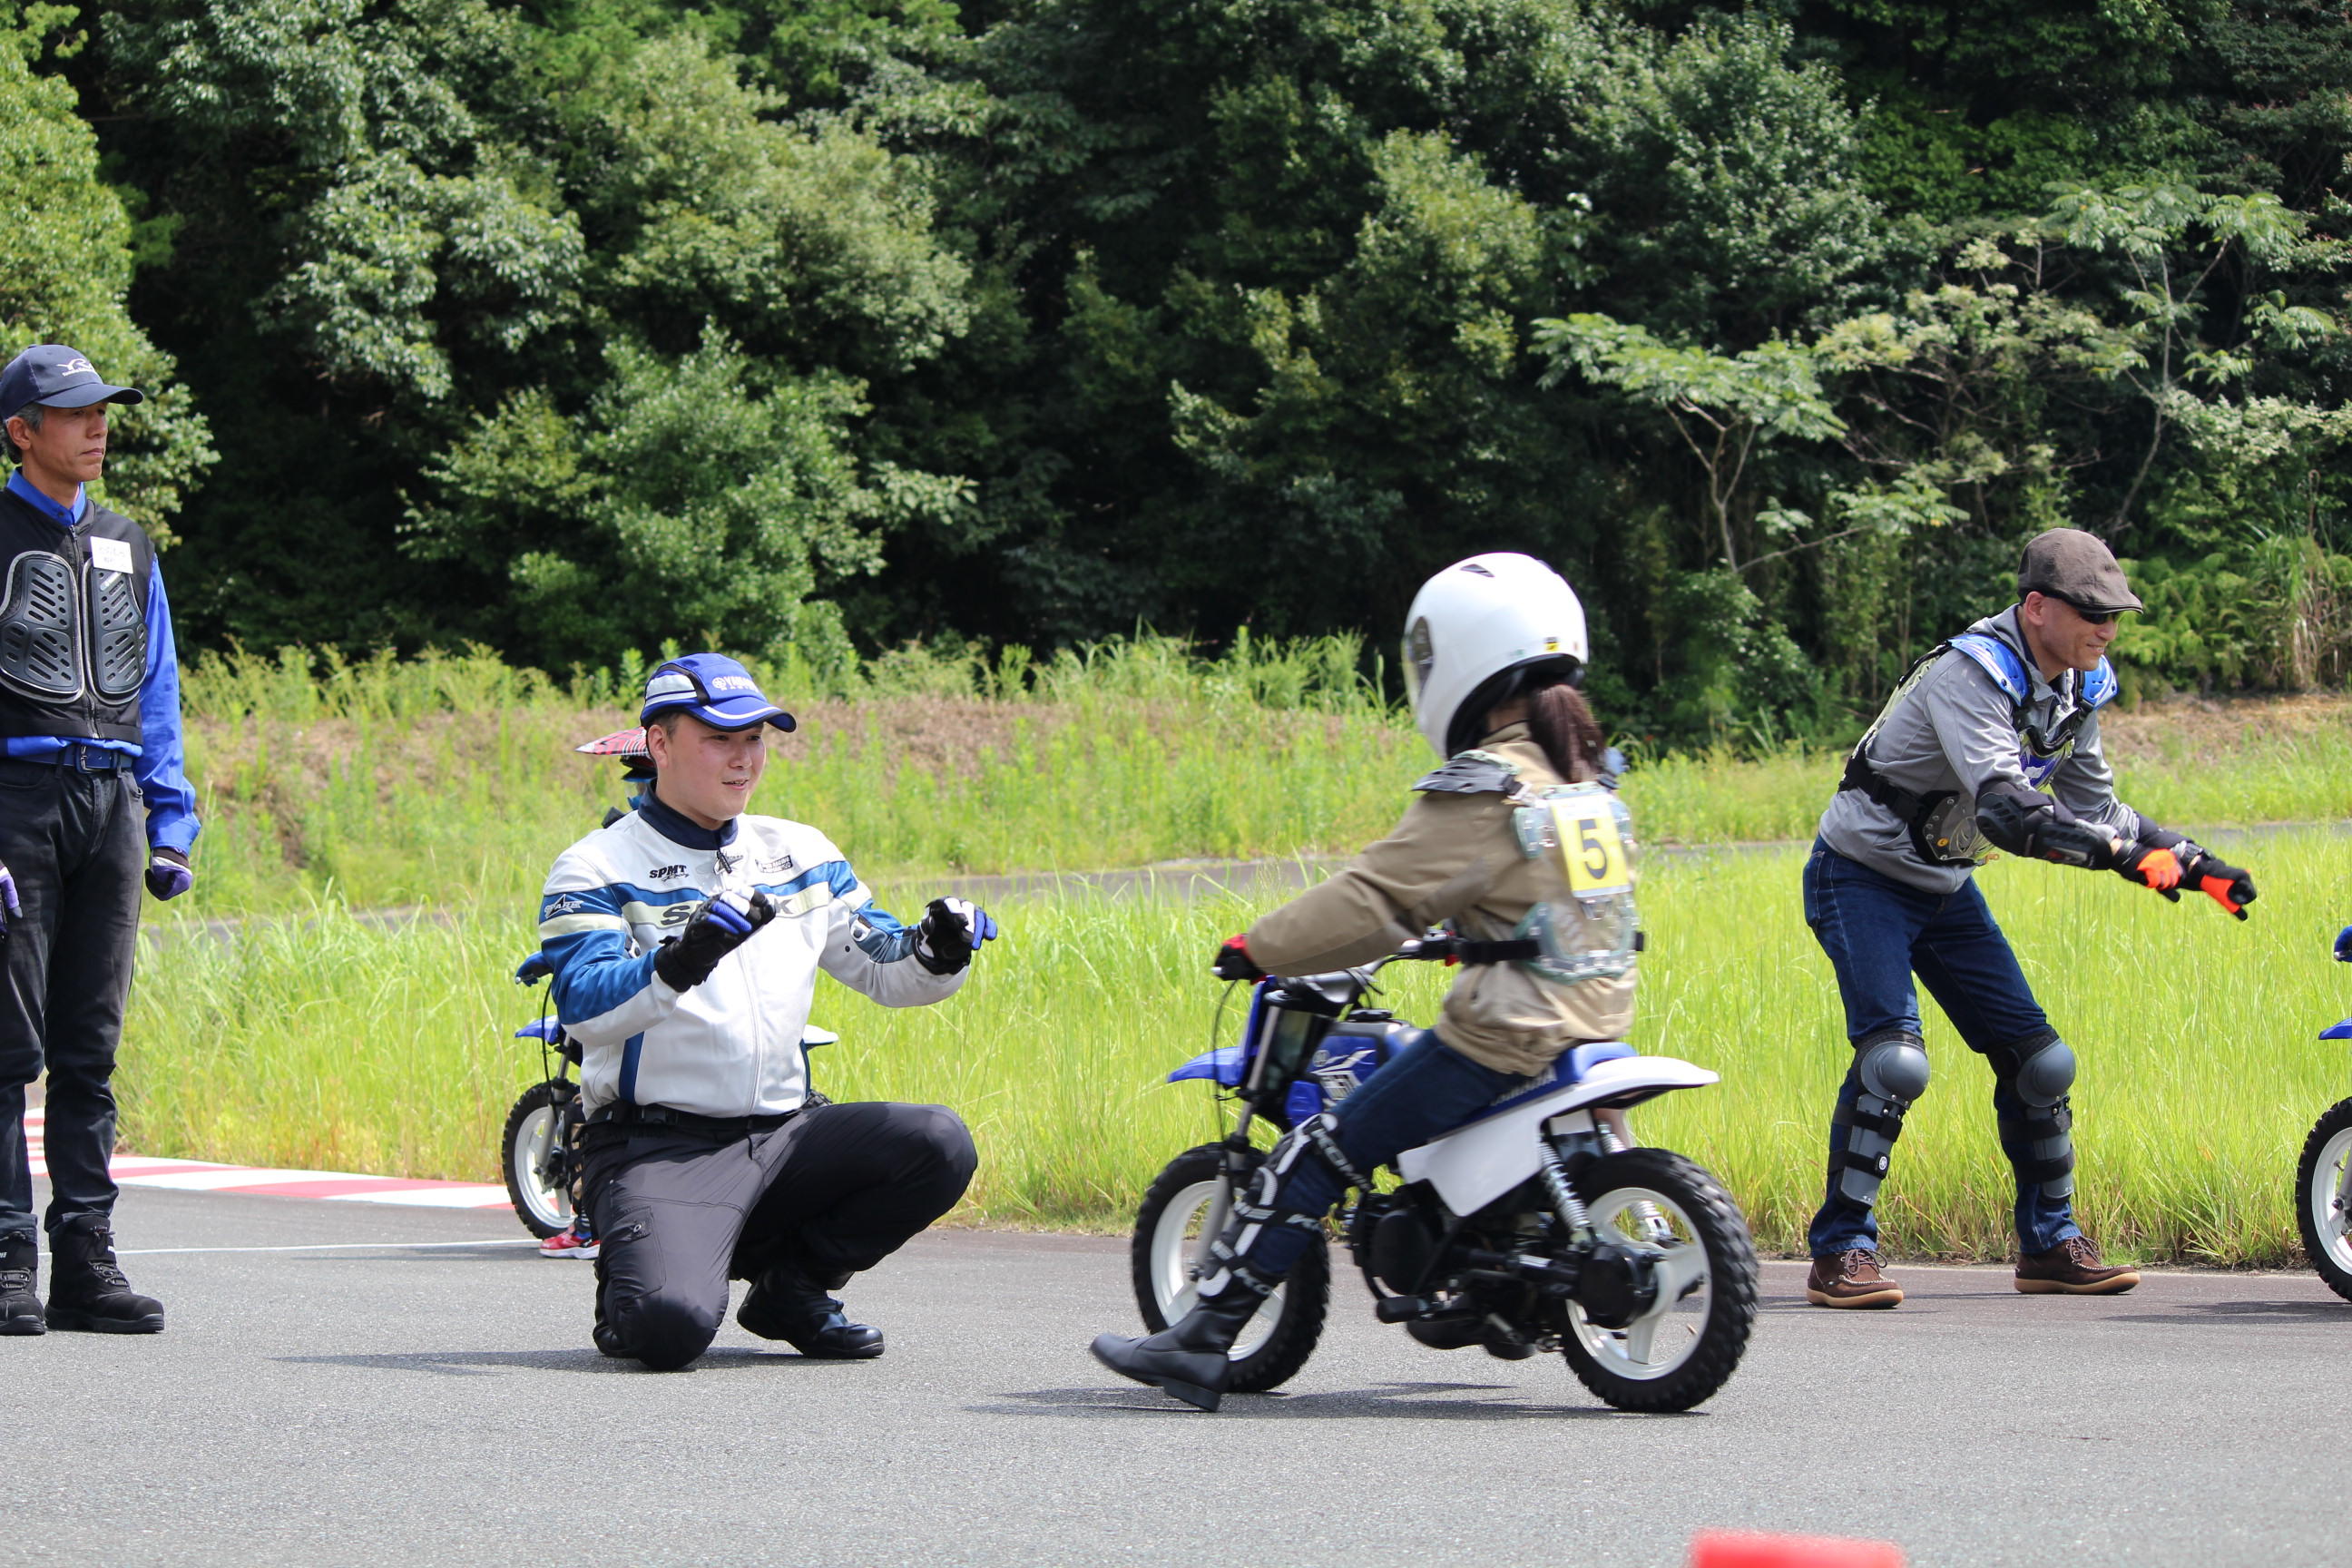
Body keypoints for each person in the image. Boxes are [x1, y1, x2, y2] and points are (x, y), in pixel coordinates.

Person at [1090, 552, 1636, 1411]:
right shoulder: (1587, 784)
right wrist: (1469, 940)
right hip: (1593, 1023)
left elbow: (1375, 900)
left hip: (1502, 1037)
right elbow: (1541, 910)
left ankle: (1200, 1341)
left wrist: (1262, 946)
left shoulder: (1488, 788)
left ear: (1453, 660)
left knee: (1320, 1151)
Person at [1804, 528, 2258, 1308]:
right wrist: (2123, 859)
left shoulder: (2081, 684)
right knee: (1895, 1063)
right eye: (2091, 613)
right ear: (2038, 606)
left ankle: (2049, 1245)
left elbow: (2095, 808)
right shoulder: (1968, 674)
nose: (2107, 629)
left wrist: (2191, 859)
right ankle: (1842, 1250)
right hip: (1861, 877)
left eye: (2115, 616)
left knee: (2041, 1063)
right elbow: (2011, 813)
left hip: (1945, 884)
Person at [538, 653, 994, 1370]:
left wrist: (940, 951)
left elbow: (882, 965)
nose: (743, 759)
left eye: (755, 739)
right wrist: (682, 958)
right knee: (667, 1332)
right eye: (720, 739)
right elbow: (586, 1007)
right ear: (659, 744)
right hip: (660, 1147)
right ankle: (637, 1282)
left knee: (936, 1141)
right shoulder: (594, 866)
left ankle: (793, 1290)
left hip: (784, 1136)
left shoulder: (799, 851)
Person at [0, 345, 196, 1338]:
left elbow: (156, 689)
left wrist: (171, 819)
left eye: (102, 409)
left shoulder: (131, 543)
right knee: (5, 1048)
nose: (97, 425)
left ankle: (85, 1259)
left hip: (110, 800)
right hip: (13, 799)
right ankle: (4, 1261)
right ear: (21, 432)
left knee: (91, 1049)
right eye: (73, 413)